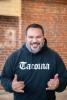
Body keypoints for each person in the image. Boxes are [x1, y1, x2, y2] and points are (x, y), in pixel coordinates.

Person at [1, 23, 67, 100]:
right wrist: (11, 85)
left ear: (43, 37)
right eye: (31, 37)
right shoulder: (15, 57)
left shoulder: (54, 57)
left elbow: (64, 78)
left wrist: (58, 84)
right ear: (26, 38)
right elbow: (4, 78)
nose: (34, 40)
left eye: (38, 37)